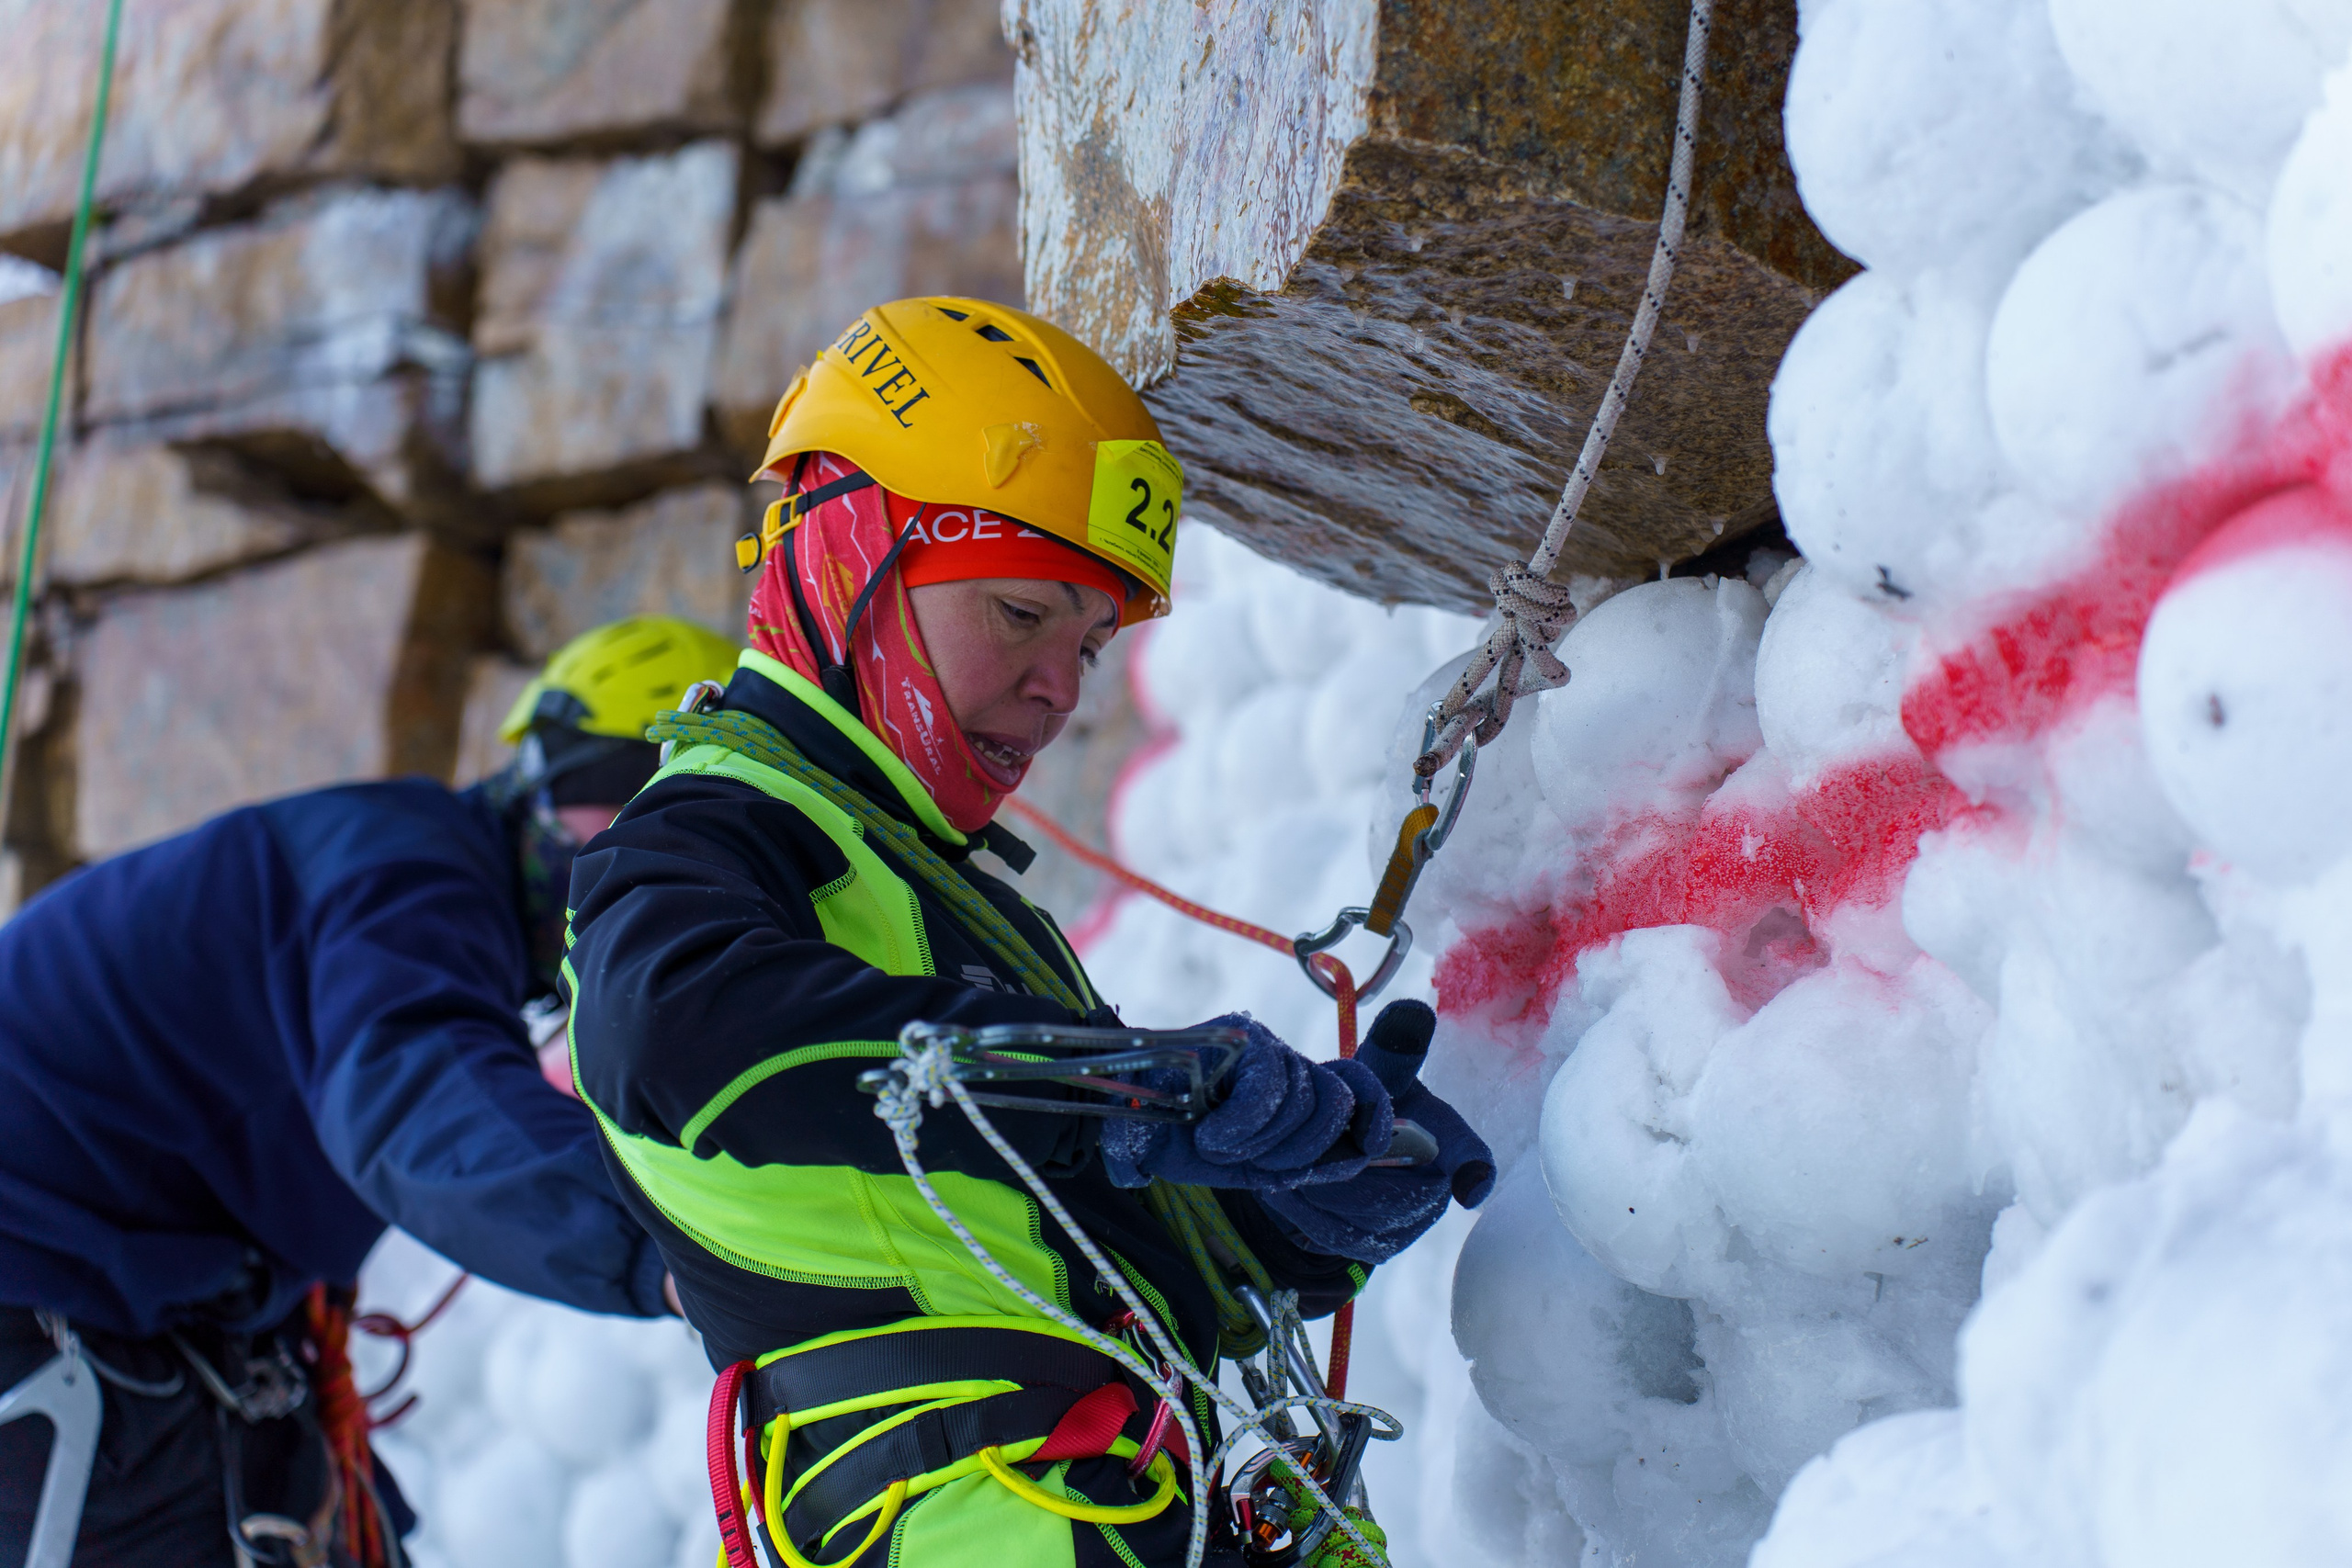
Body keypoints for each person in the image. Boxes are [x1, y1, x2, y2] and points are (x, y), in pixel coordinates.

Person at [565, 298, 1494, 1567]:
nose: (1059, 686)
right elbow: (665, 1031)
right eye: (1019, 613)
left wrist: (1292, 1211)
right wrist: (1120, 1082)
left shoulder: (937, 903)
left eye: (1090, 643)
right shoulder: (702, 836)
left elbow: (1046, 1247)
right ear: (852, 553)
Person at [0, 615, 741, 1568]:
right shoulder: (404, 876)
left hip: (123, 1291)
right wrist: (691, 1251)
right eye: (635, 829)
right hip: (50, 1288)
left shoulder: (403, 867)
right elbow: (417, 1101)